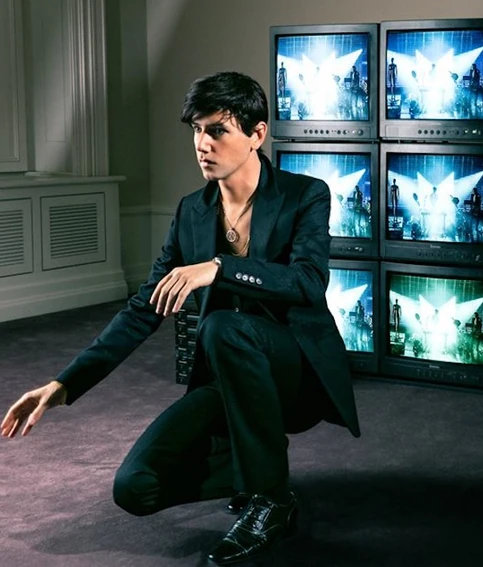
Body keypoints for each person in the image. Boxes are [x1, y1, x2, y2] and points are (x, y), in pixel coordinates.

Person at [0, 71, 360, 566]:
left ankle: (270, 499)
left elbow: (307, 282)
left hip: (293, 373)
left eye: (218, 131)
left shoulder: (305, 194)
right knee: (136, 488)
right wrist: (65, 383)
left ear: (257, 134)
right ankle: (261, 470)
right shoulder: (192, 210)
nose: (202, 144)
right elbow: (143, 308)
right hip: (226, 378)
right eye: (197, 130)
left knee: (221, 326)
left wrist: (220, 268)